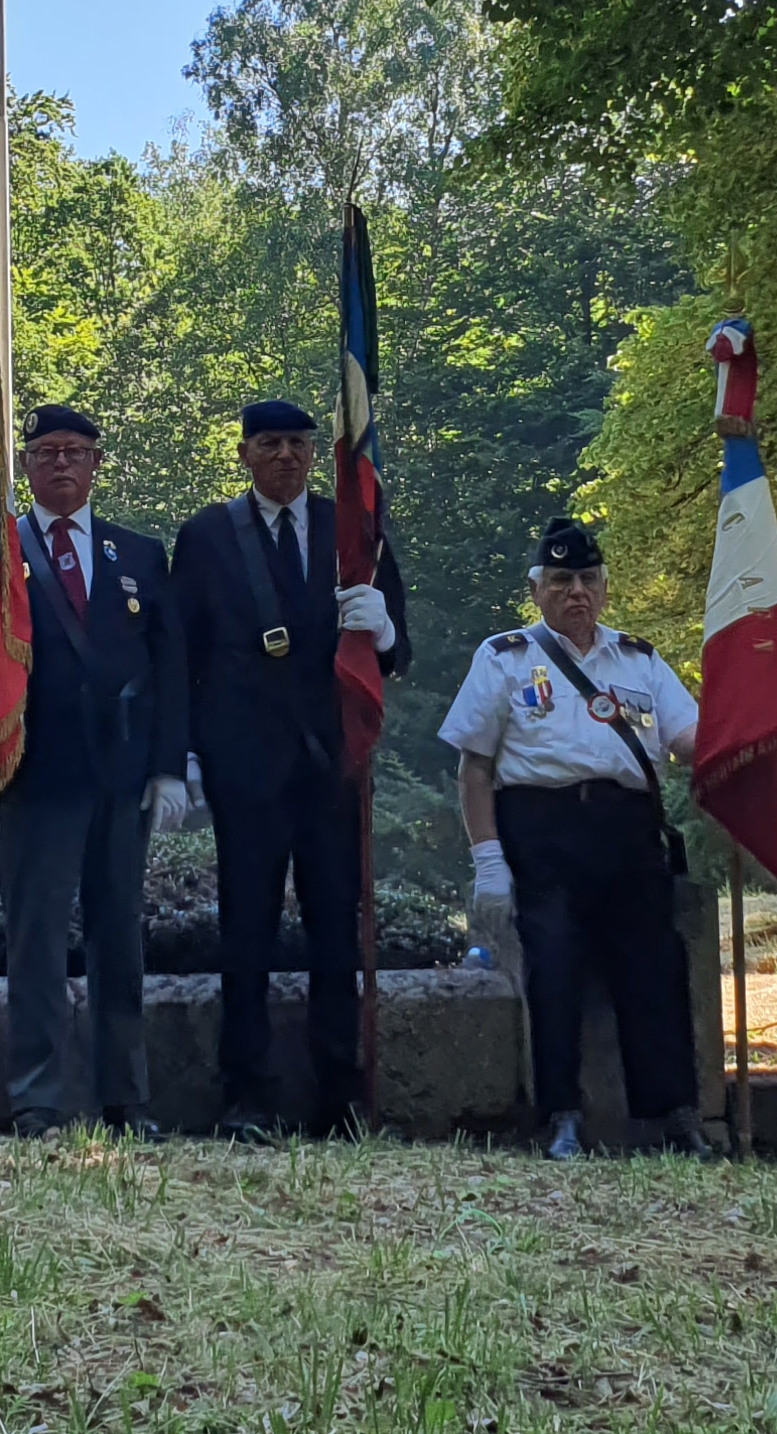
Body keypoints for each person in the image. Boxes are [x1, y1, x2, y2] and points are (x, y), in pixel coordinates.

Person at [172, 395, 410, 1140]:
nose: (285, 456)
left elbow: (396, 647)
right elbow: (184, 655)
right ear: (243, 453)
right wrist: (184, 755)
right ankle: (246, 1096)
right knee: (246, 933)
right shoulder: (209, 535)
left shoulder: (353, 528)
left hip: (332, 768)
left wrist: (386, 625)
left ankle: (339, 1098)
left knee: (337, 932)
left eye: (299, 444)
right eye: (269, 443)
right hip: (245, 769)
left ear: (316, 453)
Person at [443, 517, 715, 1161]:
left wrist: (755, 732)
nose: (576, 592)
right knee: (555, 962)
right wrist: (488, 859)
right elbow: (474, 766)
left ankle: (675, 1116)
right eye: (561, 580)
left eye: (588, 579)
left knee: (655, 965)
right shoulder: (505, 656)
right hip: (542, 833)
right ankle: (560, 1115)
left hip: (627, 833)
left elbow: (689, 740)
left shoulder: (640, 660)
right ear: (536, 589)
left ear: (606, 588)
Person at [0, 404, 188, 1136]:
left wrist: (170, 766)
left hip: (121, 774)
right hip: (33, 771)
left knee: (119, 940)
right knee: (37, 941)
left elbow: (169, 667)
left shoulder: (137, 554)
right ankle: (36, 1099)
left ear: (98, 464)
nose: (62, 465)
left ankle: (125, 1099)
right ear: (25, 466)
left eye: (76, 452)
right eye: (46, 453)